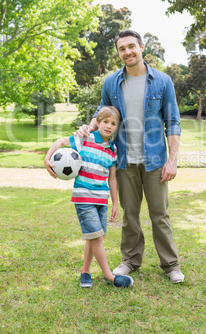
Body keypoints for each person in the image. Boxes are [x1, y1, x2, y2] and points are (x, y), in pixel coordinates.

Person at [77, 30, 185, 284]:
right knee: (130, 215)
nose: (127, 52)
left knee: (160, 215)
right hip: (123, 160)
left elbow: (173, 122)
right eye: (122, 49)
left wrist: (173, 159)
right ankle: (130, 261)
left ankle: (171, 265)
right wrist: (88, 128)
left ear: (142, 47)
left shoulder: (162, 81)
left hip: (155, 161)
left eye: (131, 47)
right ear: (119, 53)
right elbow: (102, 113)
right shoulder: (111, 83)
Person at [44, 106, 134, 288]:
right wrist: (47, 158)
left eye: (113, 123)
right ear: (98, 122)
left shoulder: (113, 149)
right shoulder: (85, 138)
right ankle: (110, 276)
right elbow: (61, 142)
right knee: (97, 238)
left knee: (93, 237)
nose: (109, 126)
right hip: (84, 197)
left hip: (101, 199)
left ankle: (85, 272)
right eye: (105, 122)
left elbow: (113, 177)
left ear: (117, 127)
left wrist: (115, 203)